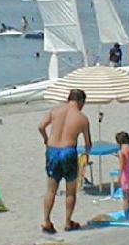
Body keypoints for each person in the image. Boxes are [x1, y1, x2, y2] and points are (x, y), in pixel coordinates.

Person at [38, 88, 92, 234]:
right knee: (70, 191)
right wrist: (86, 155)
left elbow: (41, 126)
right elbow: (88, 143)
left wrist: (46, 139)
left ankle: (46, 220)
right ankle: (68, 222)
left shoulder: (55, 111)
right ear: (80, 101)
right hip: (68, 151)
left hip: (53, 150)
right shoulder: (82, 118)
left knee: (51, 189)